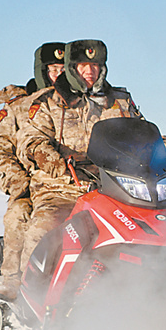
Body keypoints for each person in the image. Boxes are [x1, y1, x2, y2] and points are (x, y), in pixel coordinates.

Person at [17, 39, 141, 269]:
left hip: (114, 191)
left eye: (95, 66)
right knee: (41, 230)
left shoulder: (120, 101)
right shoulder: (47, 101)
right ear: (72, 68)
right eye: (83, 66)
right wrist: (56, 162)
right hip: (61, 190)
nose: (90, 72)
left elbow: (141, 131)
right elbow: (31, 142)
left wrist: (164, 149)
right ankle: (29, 296)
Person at [0, 42, 65, 300]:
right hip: (32, 186)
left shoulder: (80, 104)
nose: (59, 75)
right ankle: (15, 281)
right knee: (20, 213)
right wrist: (20, 183)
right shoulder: (18, 107)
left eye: (65, 69)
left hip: (75, 183)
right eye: (53, 69)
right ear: (42, 71)